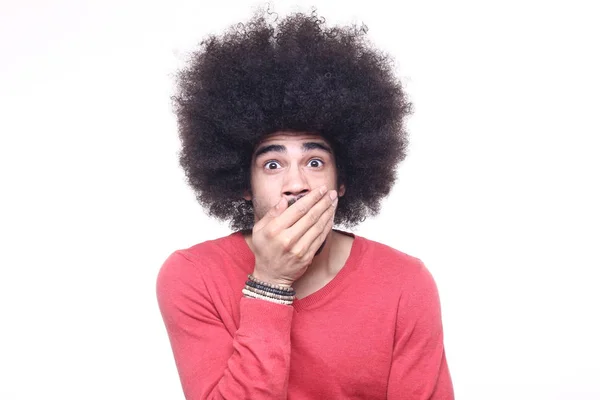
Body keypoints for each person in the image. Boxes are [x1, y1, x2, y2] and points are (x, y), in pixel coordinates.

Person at [156, 8, 454, 400]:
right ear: (244, 184)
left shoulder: (404, 283)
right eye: (273, 164)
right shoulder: (192, 277)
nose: (295, 183)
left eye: (315, 162)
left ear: (343, 180)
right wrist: (269, 284)